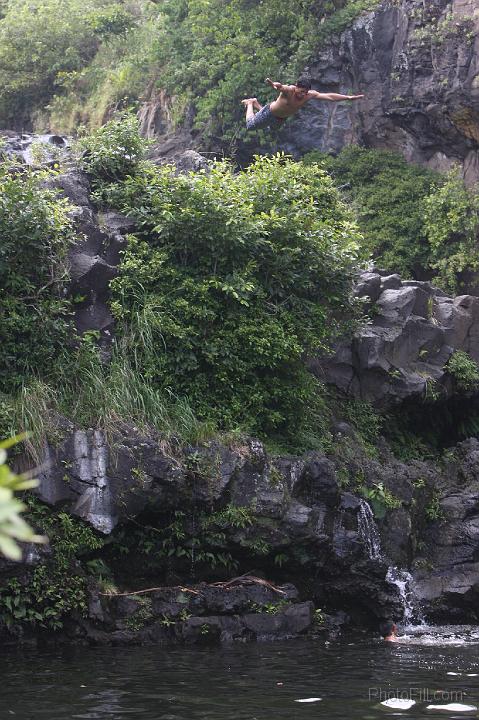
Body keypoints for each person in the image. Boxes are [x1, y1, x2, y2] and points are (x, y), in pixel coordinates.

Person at [242, 76, 364, 131]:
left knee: (272, 130)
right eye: (301, 91)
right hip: (269, 113)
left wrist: (347, 97)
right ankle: (250, 103)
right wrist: (274, 84)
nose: (302, 95)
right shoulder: (289, 91)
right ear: (296, 87)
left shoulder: (309, 95)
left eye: (305, 92)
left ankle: (256, 104)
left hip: (281, 119)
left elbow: (329, 96)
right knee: (250, 126)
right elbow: (280, 86)